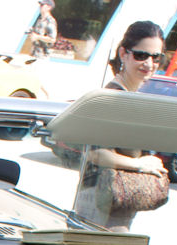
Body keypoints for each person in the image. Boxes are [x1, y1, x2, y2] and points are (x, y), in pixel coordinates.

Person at [72, 20, 169, 231]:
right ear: (124, 53)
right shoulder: (114, 97)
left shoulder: (128, 96)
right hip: (101, 203)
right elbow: (97, 155)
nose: (149, 63)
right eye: (141, 55)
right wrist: (143, 164)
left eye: (156, 57)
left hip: (116, 201)